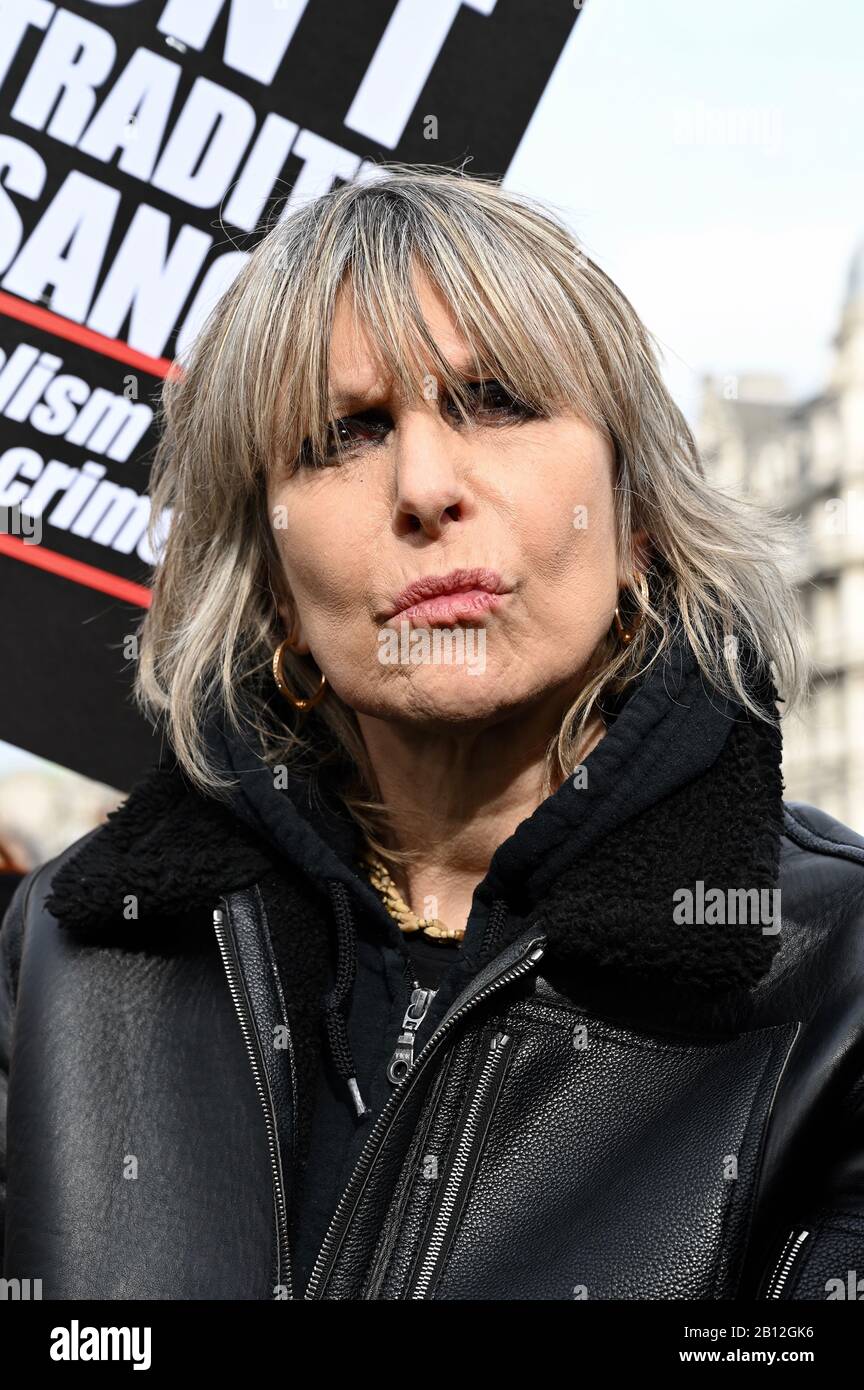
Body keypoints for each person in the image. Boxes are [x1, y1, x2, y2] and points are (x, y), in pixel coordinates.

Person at [2, 164, 863, 1301]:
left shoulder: (836, 973)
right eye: (341, 434)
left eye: (497, 401)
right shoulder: (67, 957)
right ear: (269, 586)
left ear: (639, 518)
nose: (423, 483)